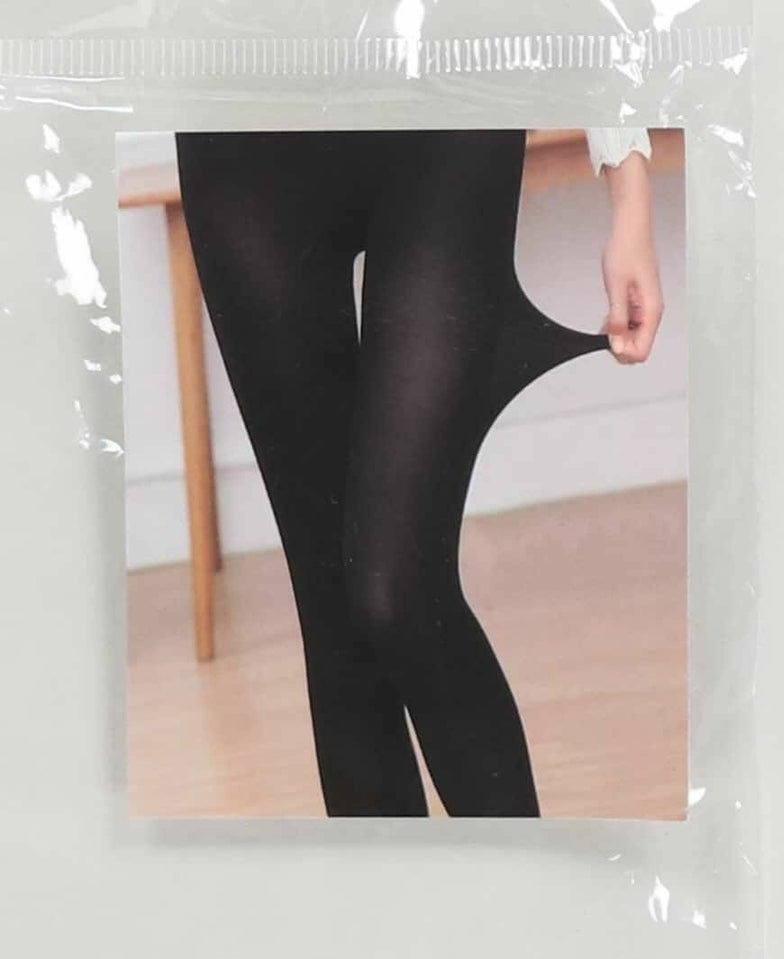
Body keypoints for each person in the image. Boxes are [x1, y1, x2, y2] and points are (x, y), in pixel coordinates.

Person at [174, 126, 664, 817]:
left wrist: (628, 185)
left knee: (396, 590)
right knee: (335, 620)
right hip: (244, 134)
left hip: (441, 119)